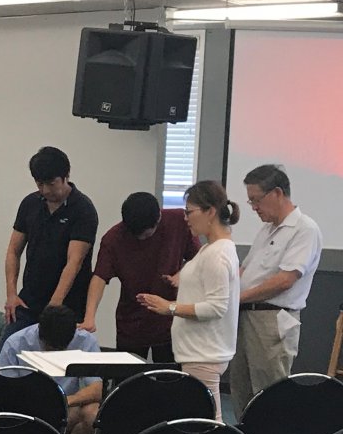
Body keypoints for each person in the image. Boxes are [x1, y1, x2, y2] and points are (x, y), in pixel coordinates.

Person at [138, 180, 241, 419]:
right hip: (198, 352)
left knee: (207, 420)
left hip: (203, 353)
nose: (185, 218)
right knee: (200, 417)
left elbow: (216, 307)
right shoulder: (210, 250)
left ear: (210, 212)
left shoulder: (217, 253)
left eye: (189, 212)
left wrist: (170, 307)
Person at [233, 165, 322, 418]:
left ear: (277, 193)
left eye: (256, 200)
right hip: (246, 316)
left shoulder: (304, 229)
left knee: (269, 392)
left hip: (272, 319)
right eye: (250, 201)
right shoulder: (267, 229)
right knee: (241, 388)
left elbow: (285, 280)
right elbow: (244, 270)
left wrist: (237, 298)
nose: (254, 207)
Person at [84, 192, 198, 362]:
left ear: (158, 218)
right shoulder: (113, 238)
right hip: (132, 323)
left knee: (169, 375)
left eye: (146, 234)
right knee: (129, 374)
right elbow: (100, 277)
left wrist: (182, 274)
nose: (141, 239)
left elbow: (198, 257)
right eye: (136, 235)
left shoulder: (178, 221)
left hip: (170, 321)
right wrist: (90, 317)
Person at [3, 146, 98, 340]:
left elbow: (74, 262)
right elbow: (13, 250)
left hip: (67, 307)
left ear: (66, 176)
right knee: (6, 351)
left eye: (51, 183)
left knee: (57, 356)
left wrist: (54, 305)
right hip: (28, 302)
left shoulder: (83, 209)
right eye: (40, 184)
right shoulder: (30, 203)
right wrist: (11, 294)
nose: (46, 190)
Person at [0, 305, 102, 434]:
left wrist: (63, 401)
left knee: (93, 414)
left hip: (67, 407)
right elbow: (2, 391)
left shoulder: (85, 340)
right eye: (51, 348)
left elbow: (96, 390)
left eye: (61, 349)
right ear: (39, 331)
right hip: (28, 409)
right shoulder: (15, 343)